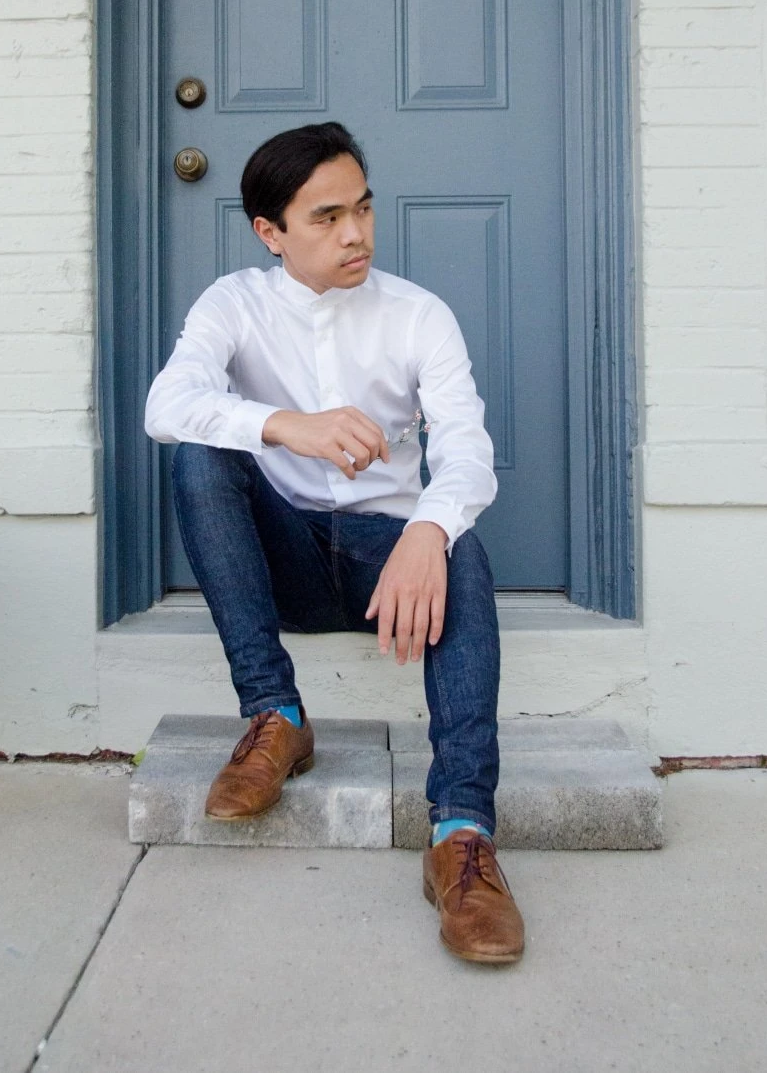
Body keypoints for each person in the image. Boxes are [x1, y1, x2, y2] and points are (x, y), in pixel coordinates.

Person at [144, 122, 525, 964]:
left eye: (362, 208)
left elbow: (466, 448)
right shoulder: (234, 304)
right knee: (204, 458)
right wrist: (284, 426)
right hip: (279, 560)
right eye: (325, 217)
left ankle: (461, 838)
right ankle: (275, 716)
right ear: (269, 233)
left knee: (460, 540)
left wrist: (428, 526)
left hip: (386, 567)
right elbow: (165, 407)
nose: (354, 234)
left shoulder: (418, 315)